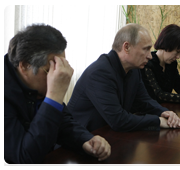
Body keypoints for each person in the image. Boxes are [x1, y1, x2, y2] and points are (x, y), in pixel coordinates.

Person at [4, 24, 111, 166]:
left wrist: (85, 140)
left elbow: (62, 122)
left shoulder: (36, 83)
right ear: (24, 65)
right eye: (50, 70)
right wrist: (54, 96)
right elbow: (25, 158)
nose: (56, 75)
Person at [67, 23, 180, 133]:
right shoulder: (99, 73)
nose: (150, 56)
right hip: (79, 143)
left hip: (107, 136)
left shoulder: (134, 70)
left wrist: (164, 112)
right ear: (127, 47)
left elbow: (144, 101)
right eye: (146, 49)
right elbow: (118, 120)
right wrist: (158, 121)